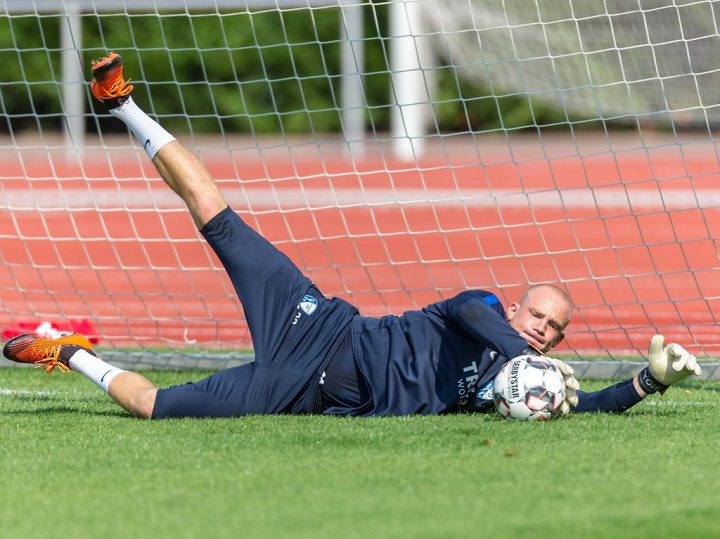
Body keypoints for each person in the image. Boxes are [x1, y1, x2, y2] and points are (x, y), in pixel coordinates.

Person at [2, 53, 703, 420]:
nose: (544, 331)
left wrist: (651, 381)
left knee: (157, 407)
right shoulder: (485, 313)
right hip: (318, 318)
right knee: (216, 212)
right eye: (539, 316)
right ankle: (123, 104)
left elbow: (588, 404)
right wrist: (520, 352)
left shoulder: (511, 383)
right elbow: (466, 314)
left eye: (554, 329)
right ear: (517, 310)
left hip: (296, 384)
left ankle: (71, 351)